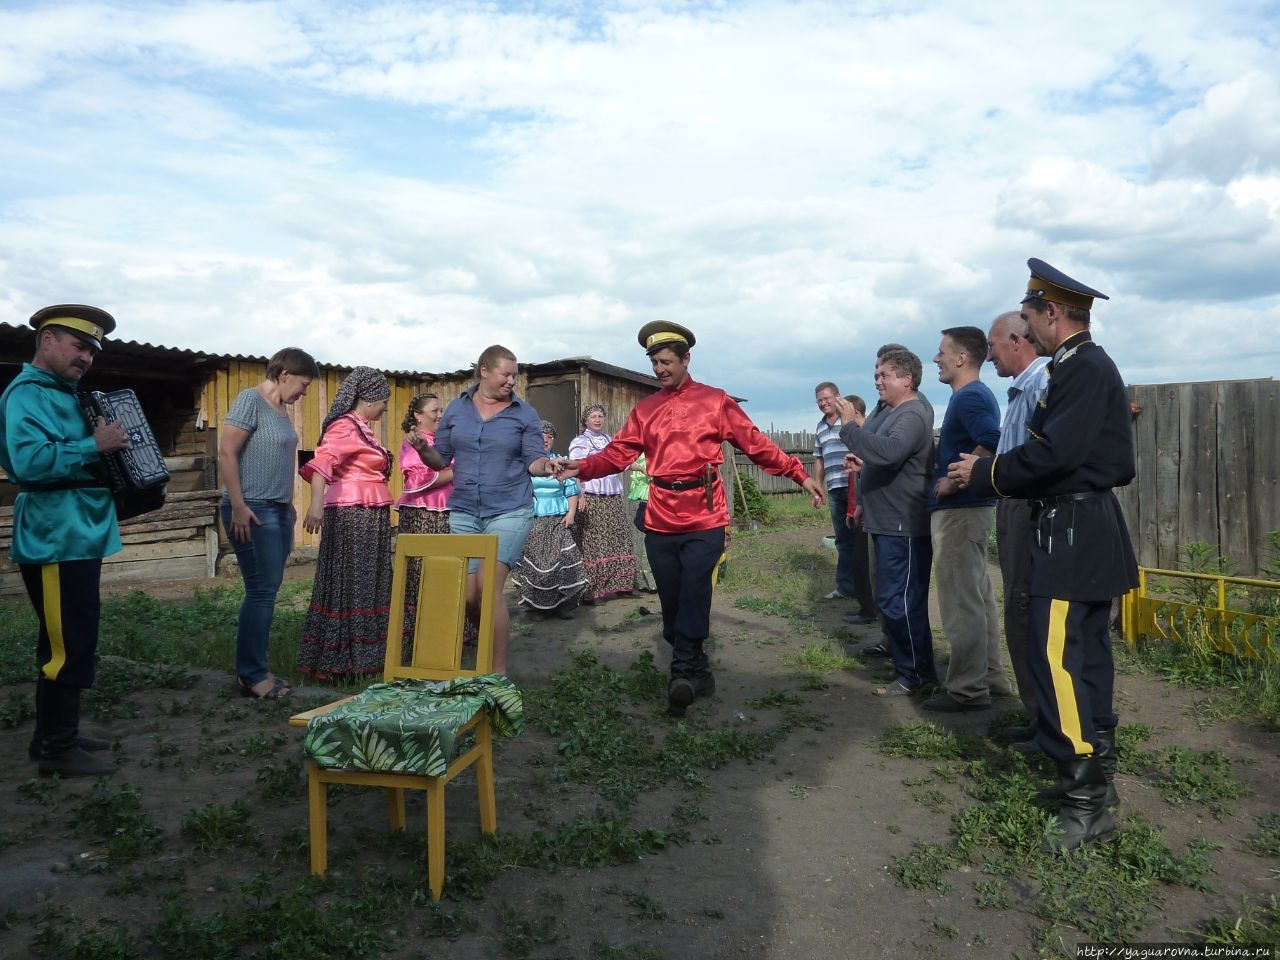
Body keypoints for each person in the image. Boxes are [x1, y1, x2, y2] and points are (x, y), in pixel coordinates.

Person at [949, 259, 1138, 851]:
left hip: (1074, 529)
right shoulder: (1082, 366)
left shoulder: (1081, 368)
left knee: (1056, 658)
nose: (1028, 329)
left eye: (1030, 317)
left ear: (1051, 313)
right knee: (1083, 658)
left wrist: (985, 473)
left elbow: (1054, 454)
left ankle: (1088, 799)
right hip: (1082, 525)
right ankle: (1092, 771)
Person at [554, 321, 825, 716]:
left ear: (686, 359)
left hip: (705, 515)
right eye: (655, 363)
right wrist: (579, 466)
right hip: (660, 516)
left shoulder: (715, 402)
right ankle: (698, 670)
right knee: (671, 600)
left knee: (695, 589)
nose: (660, 369)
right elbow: (616, 456)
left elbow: (757, 444)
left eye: (666, 361)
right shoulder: (645, 410)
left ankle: (681, 673)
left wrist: (798, 474)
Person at [1, 304, 130, 777]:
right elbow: (30, 463)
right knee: (66, 642)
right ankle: (56, 750)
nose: (87, 358)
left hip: (78, 530)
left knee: (71, 634)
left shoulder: (68, 394)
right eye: (79, 346)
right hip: (55, 535)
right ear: (48, 339)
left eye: (93, 351)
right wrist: (93, 446)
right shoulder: (27, 394)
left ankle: (55, 736)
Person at [411, 345, 553, 674]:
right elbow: (440, 460)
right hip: (464, 512)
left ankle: (496, 674)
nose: (511, 381)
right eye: (506, 374)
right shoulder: (457, 411)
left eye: (514, 375)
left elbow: (534, 459)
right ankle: (490, 641)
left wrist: (549, 466)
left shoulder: (523, 414)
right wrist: (422, 450)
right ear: (484, 372)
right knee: (470, 596)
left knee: (488, 589)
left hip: (510, 509)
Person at [833, 348, 937, 698]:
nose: (877, 381)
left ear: (906, 380)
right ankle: (902, 656)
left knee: (900, 600)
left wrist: (849, 427)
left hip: (903, 523)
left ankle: (916, 674)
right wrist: (862, 497)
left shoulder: (912, 414)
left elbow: (887, 452)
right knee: (891, 597)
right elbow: (876, 451)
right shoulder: (891, 411)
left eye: (885, 376)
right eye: (876, 375)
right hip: (885, 519)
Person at [218, 346, 320, 699]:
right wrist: (239, 504)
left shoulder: (280, 410)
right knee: (261, 591)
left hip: (276, 509)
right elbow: (227, 452)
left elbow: (274, 457)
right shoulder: (251, 400)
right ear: (284, 374)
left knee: (268, 589)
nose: (303, 393)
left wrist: (288, 503)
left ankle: (255, 667)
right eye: (303, 385)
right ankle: (251, 675)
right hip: (251, 508)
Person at [923, 327, 1009, 713]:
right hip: (973, 512)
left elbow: (992, 439)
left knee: (961, 604)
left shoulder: (970, 396)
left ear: (961, 358)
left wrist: (954, 480)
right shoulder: (975, 395)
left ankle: (967, 690)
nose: (936, 359)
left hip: (960, 513)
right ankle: (991, 678)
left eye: (942, 352)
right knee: (978, 598)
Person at [295, 367, 394, 680]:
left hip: (367, 510)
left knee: (367, 581)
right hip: (354, 513)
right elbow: (324, 460)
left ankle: (364, 656)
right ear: (369, 398)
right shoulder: (345, 426)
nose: (386, 408)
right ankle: (346, 657)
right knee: (354, 582)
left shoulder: (361, 427)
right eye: (383, 401)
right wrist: (315, 504)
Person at [985, 310, 1050, 742]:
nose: (989, 355)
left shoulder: (1042, 383)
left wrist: (982, 471)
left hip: (1029, 509)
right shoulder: (1020, 389)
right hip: (1014, 507)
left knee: (1026, 611)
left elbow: (1041, 459)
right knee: (1018, 609)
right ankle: (1039, 717)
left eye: (991, 346)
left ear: (1014, 339)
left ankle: (1049, 724)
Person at [395, 393, 454, 660]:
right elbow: (418, 478)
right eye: (434, 410)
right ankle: (419, 637)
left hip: (446, 512)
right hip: (422, 514)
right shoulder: (413, 443)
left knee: (446, 569)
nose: (440, 415)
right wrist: (459, 469)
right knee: (421, 573)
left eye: (442, 410)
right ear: (418, 415)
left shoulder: (444, 442)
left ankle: (446, 632)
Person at [511, 420, 587, 619]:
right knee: (538, 563)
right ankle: (537, 607)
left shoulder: (561, 462)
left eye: (550, 437)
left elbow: (570, 489)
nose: (545, 440)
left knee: (564, 560)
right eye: (541, 437)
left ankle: (562, 605)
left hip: (558, 520)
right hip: (533, 519)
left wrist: (571, 513)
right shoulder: (524, 464)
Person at [813, 382, 875, 622]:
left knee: (860, 538)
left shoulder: (849, 419)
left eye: (826, 398)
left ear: (837, 397)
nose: (823, 403)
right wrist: (818, 486)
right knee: (843, 539)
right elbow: (819, 458)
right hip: (835, 487)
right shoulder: (820, 427)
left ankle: (865, 590)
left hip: (855, 484)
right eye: (819, 400)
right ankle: (846, 586)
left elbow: (864, 444)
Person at [568, 404, 637, 604]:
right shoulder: (580, 441)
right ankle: (591, 588)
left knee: (618, 534)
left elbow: (621, 462)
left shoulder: (609, 440)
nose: (598, 420)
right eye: (593, 417)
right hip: (591, 495)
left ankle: (620, 584)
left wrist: (641, 467)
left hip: (612, 495)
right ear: (586, 421)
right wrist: (579, 495)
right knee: (593, 539)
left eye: (600, 416)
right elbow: (575, 470)